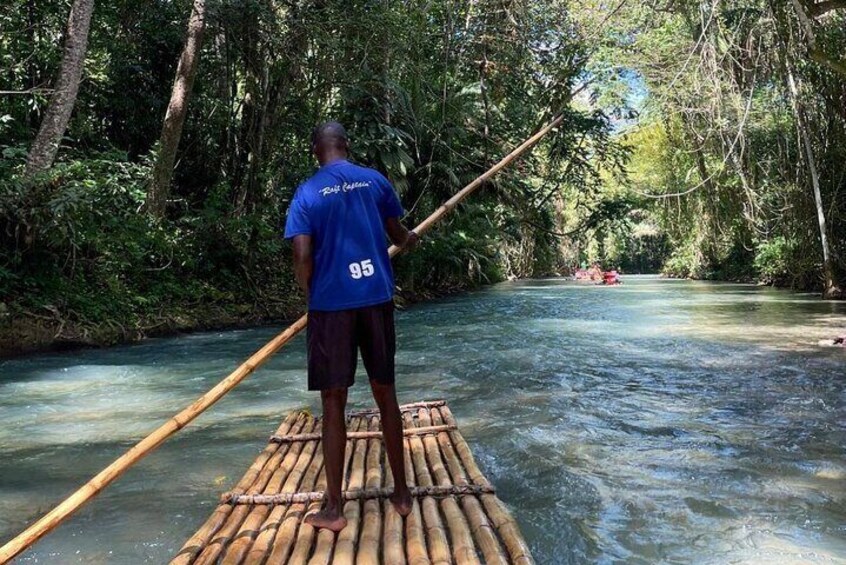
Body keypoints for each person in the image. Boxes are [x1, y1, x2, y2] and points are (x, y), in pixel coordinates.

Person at [284, 121, 418, 531]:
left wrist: (313, 295)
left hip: (331, 307)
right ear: (346, 146)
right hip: (375, 299)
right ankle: (401, 494)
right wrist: (409, 238)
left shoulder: (306, 193)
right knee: (385, 394)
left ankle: (335, 509)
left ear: (315, 152)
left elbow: (302, 254)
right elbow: (397, 234)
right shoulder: (374, 180)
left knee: (333, 402)